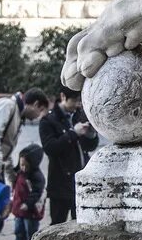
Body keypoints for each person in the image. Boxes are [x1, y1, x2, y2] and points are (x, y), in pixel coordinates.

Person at [38, 86, 98, 224]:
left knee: (81, 223)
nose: (78, 105)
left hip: (81, 180)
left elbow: (90, 147)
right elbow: (50, 148)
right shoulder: (48, 121)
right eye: (75, 101)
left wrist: (91, 135)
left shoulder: (80, 115)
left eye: (80, 101)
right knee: (58, 223)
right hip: (60, 183)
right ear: (63, 97)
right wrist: (73, 133)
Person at [9, 144, 45, 240]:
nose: (23, 167)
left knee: (31, 233)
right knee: (19, 231)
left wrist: (28, 204)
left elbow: (36, 192)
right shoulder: (19, 172)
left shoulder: (36, 177)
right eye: (21, 165)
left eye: (25, 165)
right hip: (19, 209)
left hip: (30, 211)